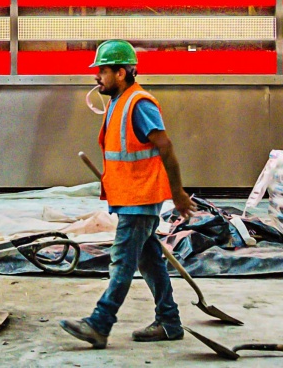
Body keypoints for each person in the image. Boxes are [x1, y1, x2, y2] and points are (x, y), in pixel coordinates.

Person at [59, 39, 196, 350]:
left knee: (122, 262)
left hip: (141, 198)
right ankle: (169, 322)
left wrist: (177, 193)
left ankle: (99, 323)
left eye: (102, 71)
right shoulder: (118, 102)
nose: (97, 77)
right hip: (130, 197)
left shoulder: (139, 104)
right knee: (150, 262)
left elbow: (165, 147)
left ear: (121, 73)